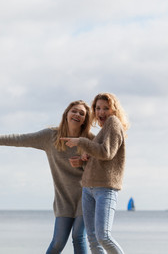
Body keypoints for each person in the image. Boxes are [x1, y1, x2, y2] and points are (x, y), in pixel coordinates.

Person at [0, 100, 94, 254]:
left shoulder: (90, 141)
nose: (77, 115)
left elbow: (106, 161)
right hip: (64, 199)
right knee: (57, 243)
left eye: (82, 114)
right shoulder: (50, 136)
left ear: (85, 120)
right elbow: (20, 139)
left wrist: (83, 161)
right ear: (66, 113)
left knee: (78, 236)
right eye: (74, 111)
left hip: (87, 195)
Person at [62, 93, 129, 254]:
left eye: (106, 108)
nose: (101, 112)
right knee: (92, 239)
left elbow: (106, 153)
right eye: (98, 108)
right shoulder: (103, 130)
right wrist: (84, 159)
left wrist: (81, 142)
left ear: (114, 110)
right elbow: (100, 157)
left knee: (103, 237)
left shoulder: (113, 123)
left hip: (105, 188)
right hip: (88, 188)